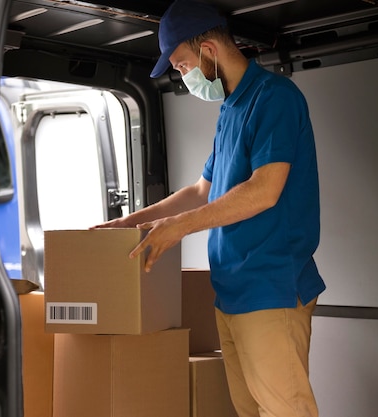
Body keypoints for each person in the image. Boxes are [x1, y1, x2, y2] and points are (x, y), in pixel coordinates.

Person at [94, 0, 326, 415]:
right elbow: (203, 190)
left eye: (181, 67)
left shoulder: (274, 98)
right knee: (250, 410)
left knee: (285, 410)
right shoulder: (230, 110)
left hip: (270, 289)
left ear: (208, 52)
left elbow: (264, 190)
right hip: (232, 293)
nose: (182, 78)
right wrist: (132, 221)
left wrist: (178, 227)